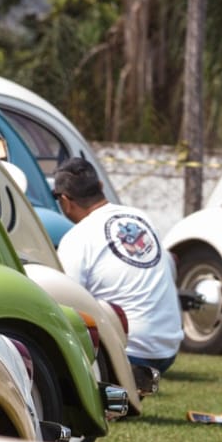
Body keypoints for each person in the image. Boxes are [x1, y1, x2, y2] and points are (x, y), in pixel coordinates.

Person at [52, 157, 182, 388]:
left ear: (65, 201)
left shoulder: (76, 237)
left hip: (127, 350)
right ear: (101, 187)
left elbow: (65, 301)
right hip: (168, 347)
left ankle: (115, 381)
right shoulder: (142, 217)